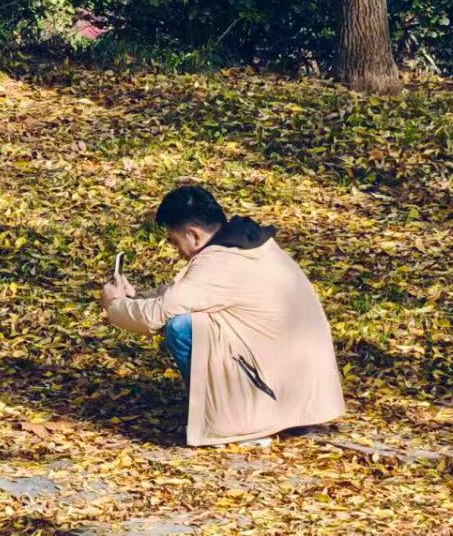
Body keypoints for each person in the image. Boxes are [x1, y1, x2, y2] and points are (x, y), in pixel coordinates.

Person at [101, 186, 345, 447]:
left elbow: (159, 314)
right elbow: (180, 293)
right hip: (304, 391)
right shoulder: (246, 245)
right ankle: (258, 413)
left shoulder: (220, 262)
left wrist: (115, 305)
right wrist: (135, 298)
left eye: (174, 241)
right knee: (189, 317)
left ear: (193, 234)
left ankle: (236, 422)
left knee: (180, 327)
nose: (177, 250)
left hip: (278, 392)